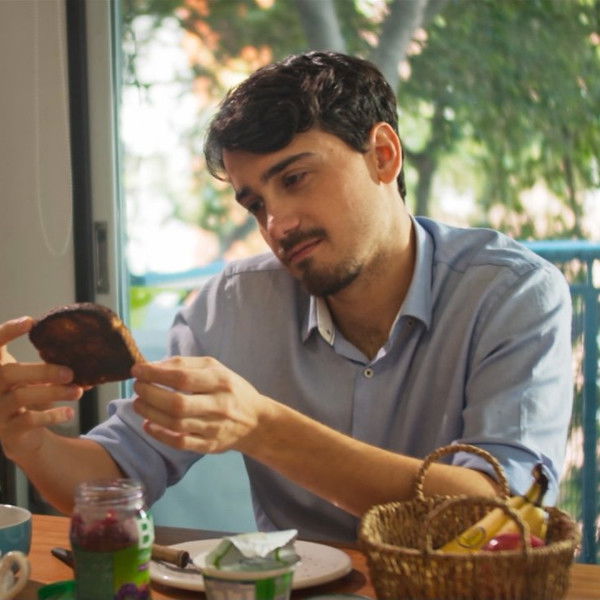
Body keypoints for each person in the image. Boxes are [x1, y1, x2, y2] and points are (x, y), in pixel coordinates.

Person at [0, 51, 573, 542]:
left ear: (383, 156)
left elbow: (499, 518)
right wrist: (29, 442)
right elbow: (114, 480)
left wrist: (262, 426)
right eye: (255, 204)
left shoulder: (511, 294)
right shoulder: (227, 308)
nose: (277, 224)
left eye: (295, 178)